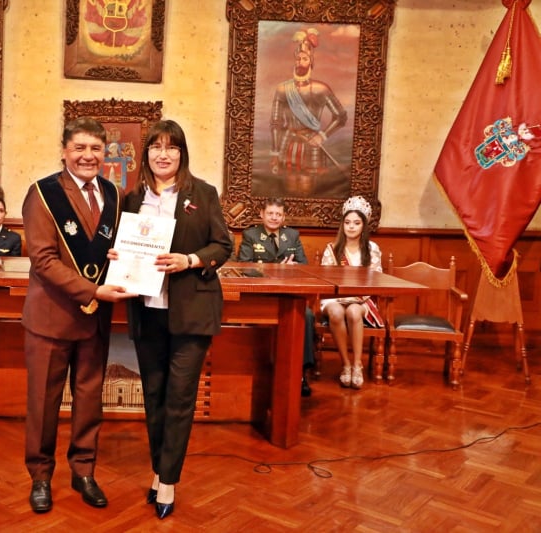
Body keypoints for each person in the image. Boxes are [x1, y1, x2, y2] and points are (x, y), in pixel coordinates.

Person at [117, 119, 233, 519]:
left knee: (180, 398)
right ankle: (158, 469)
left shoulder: (202, 193)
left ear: (181, 154)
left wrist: (191, 259)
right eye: (156, 147)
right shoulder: (131, 198)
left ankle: (167, 480)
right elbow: (120, 245)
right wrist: (117, 256)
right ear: (146, 153)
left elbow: (223, 245)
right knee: (154, 396)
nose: (163, 154)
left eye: (171, 147)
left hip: (191, 312)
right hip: (147, 311)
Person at [21, 117, 134, 514]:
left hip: (95, 319)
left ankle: (84, 471)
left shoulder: (114, 194)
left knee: (89, 400)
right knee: (43, 402)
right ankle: (40, 476)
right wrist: (93, 290)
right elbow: (43, 260)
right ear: (65, 151)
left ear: (105, 153)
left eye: (96, 149)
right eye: (80, 148)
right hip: (51, 317)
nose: (88, 156)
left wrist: (125, 260)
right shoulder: (43, 193)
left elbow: (118, 248)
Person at [238, 197, 314, 397]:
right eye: (270, 213)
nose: (274, 217)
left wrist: (293, 268)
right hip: (260, 296)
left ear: (283, 216)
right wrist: (275, 269)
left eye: (278, 214)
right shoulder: (251, 235)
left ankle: (301, 373)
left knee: (306, 315)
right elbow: (243, 267)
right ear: (262, 214)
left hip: (286, 294)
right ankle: (259, 371)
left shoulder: (292, 235)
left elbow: (304, 266)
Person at [320, 196, 383, 390]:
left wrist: (357, 296)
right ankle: (345, 364)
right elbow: (325, 280)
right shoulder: (332, 249)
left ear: (364, 226)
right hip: (334, 298)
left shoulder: (372, 249)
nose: (351, 227)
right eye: (347, 222)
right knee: (336, 312)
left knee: (354, 311)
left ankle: (357, 365)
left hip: (361, 299)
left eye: (356, 223)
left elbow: (376, 280)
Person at [270, 28, 347, 179]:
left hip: (312, 145)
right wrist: (275, 152)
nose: (300, 62)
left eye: (304, 58)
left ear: (311, 61)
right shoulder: (283, 89)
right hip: (287, 143)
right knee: (288, 182)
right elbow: (275, 123)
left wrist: (322, 136)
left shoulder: (321, 89)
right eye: (298, 59)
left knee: (314, 184)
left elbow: (341, 117)